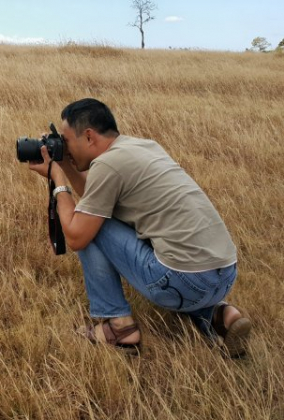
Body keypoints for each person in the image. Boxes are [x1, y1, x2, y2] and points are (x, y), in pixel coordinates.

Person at [27, 98, 252, 357]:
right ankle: (221, 314)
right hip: (224, 276)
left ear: (88, 136)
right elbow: (95, 196)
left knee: (89, 226)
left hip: (183, 282)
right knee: (102, 218)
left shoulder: (108, 165)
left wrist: (58, 179)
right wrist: (66, 163)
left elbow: (77, 236)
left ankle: (119, 328)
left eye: (66, 141)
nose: (64, 148)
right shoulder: (144, 146)